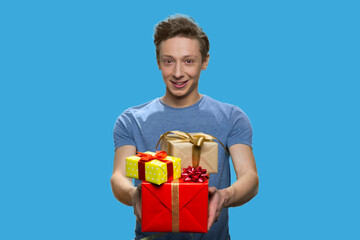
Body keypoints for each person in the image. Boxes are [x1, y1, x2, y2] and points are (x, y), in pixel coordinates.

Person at [111, 14, 259, 240]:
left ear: (205, 61)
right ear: (158, 61)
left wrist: (224, 196)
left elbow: (250, 177)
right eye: (169, 61)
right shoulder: (131, 119)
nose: (178, 72)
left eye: (188, 61)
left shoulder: (231, 117)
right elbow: (118, 177)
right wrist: (133, 195)